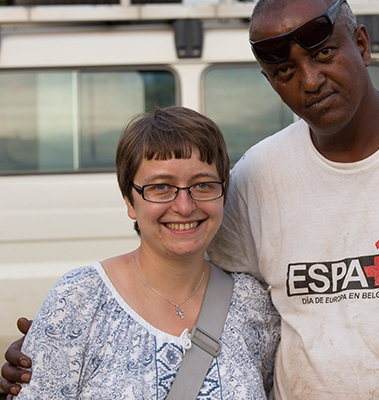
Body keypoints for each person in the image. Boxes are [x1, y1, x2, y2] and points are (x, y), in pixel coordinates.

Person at [4, 0, 379, 399]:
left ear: (360, 45)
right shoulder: (260, 173)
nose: (310, 81)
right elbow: (193, 292)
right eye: (284, 72)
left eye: (324, 53)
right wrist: (64, 340)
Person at [1, 107, 280, 399]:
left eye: (203, 185)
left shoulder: (253, 305)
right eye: (161, 186)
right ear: (129, 200)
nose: (184, 206)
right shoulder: (79, 301)